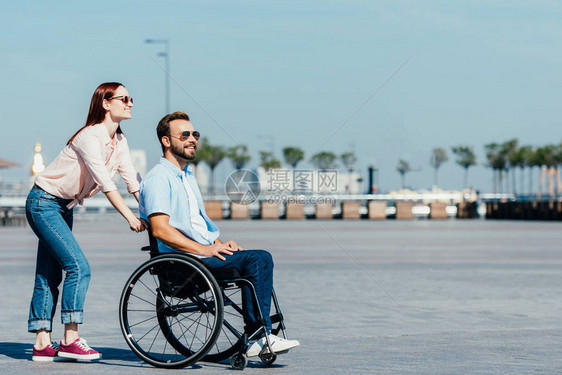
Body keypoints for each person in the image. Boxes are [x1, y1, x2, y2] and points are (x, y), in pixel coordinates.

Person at [139, 111, 300, 357]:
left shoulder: (186, 176)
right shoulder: (159, 179)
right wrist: (206, 249)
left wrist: (219, 244)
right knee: (258, 259)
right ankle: (260, 335)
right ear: (166, 141)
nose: (192, 139)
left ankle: (263, 333)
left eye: (195, 134)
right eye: (185, 135)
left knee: (258, 258)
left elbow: (197, 226)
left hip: (202, 255)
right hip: (184, 264)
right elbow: (160, 230)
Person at [26, 82, 147, 362]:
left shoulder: (120, 141)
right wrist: (130, 217)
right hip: (44, 203)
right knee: (78, 267)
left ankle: (42, 342)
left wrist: (149, 211)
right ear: (106, 103)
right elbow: (106, 183)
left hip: (62, 207)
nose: (130, 103)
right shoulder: (89, 137)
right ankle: (70, 339)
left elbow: (131, 179)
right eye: (124, 98)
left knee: (49, 274)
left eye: (132, 99)